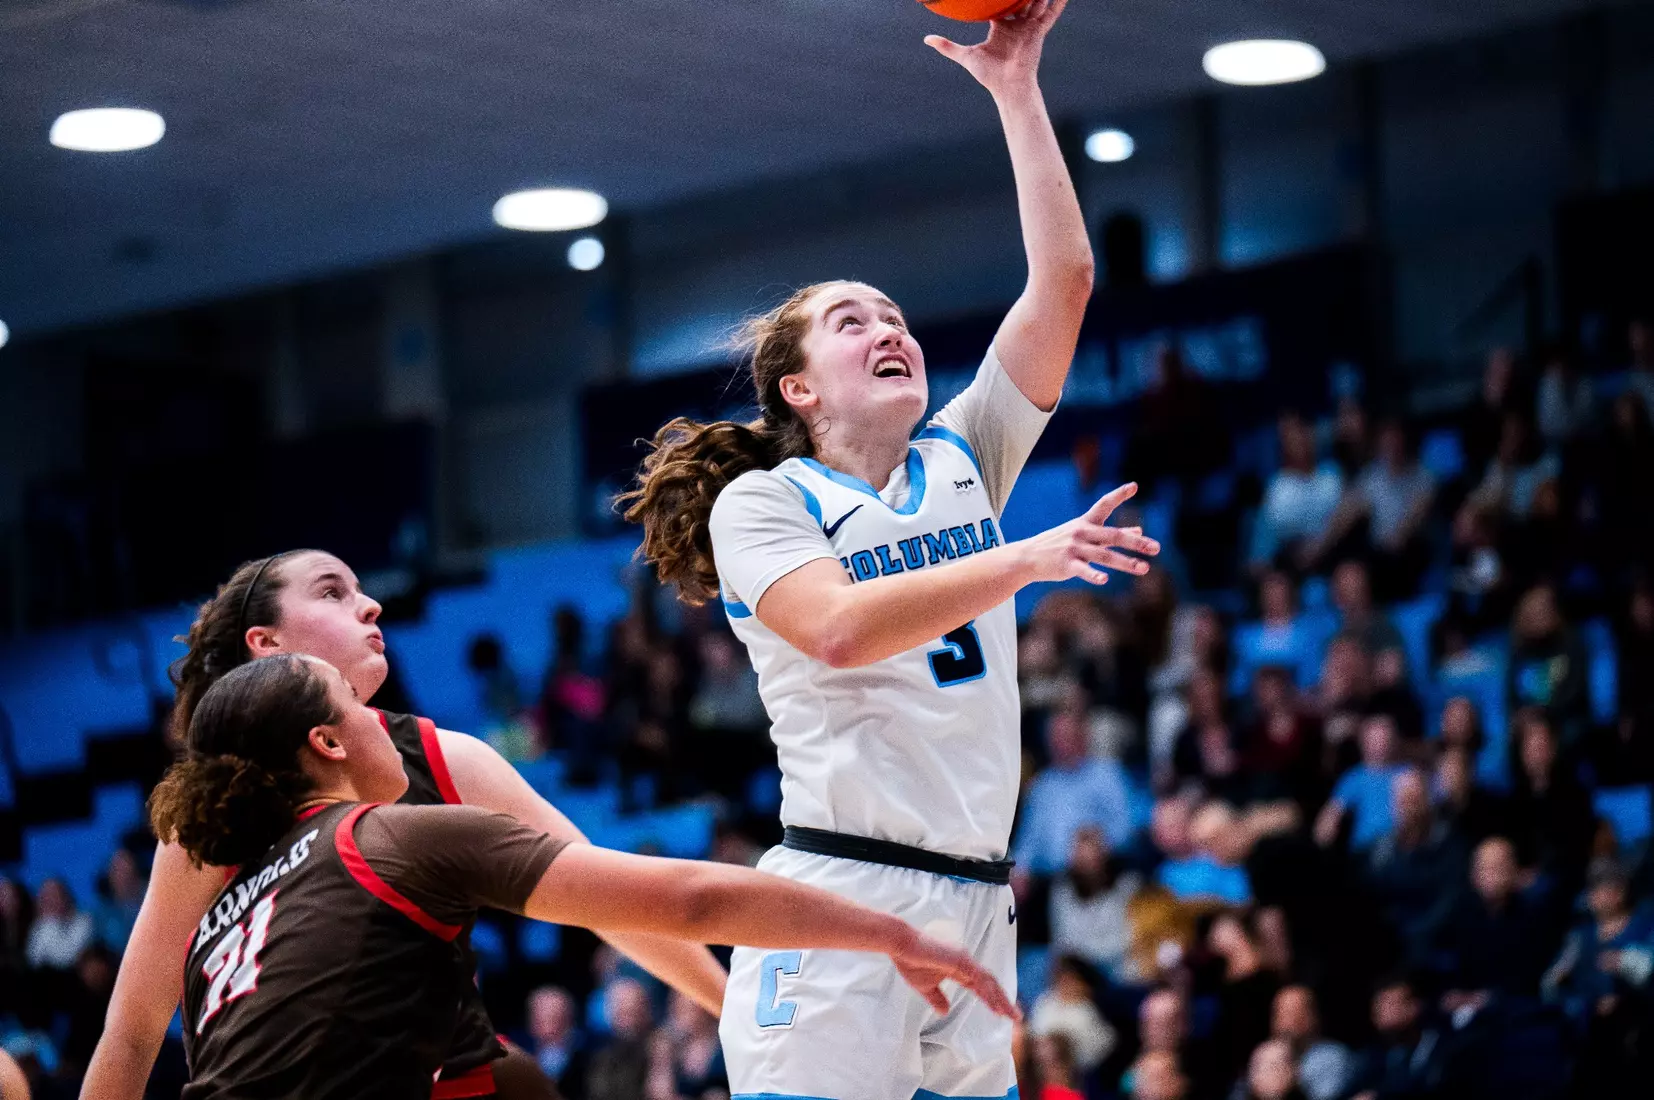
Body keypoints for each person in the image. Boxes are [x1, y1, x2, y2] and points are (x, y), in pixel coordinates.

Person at [617, 5, 1158, 1097]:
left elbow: (1062, 286)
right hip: (839, 896)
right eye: (853, 321)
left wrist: (1015, 92)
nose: (889, 329)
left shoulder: (965, 452)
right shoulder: (764, 504)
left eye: (896, 314)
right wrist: (1023, 559)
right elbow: (840, 627)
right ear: (799, 388)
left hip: (977, 899)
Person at [155, 654, 1015, 1100]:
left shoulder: (219, 928)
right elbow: (691, 897)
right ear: (329, 745)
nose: (383, 716)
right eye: (353, 700)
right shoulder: (393, 840)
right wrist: (890, 931)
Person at [81, 549, 730, 1100]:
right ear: (266, 644)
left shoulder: (447, 759)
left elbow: (612, 904)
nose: (370, 606)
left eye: (363, 591)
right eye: (333, 592)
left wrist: (733, 1014)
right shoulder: (210, 814)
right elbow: (134, 1030)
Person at [1270, 986, 1354, 1100]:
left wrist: (1292, 1087)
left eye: (1292, 1013)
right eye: (1279, 1013)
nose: (1283, 1022)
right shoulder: (1265, 1055)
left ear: (1311, 1017)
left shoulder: (1332, 1057)